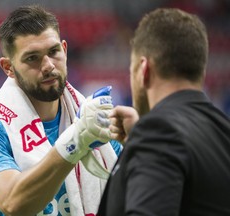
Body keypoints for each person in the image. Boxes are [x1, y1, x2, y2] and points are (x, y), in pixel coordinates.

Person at [0, 5, 121, 216]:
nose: (48, 66)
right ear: (8, 68)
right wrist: (74, 143)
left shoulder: (94, 121)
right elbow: (13, 202)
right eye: (32, 58)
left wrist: (136, 139)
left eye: (53, 52)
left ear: (64, 50)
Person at [98, 8, 230, 216]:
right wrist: (136, 139)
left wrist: (145, 136)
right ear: (201, 70)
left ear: (143, 70)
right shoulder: (223, 129)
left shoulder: (158, 131)